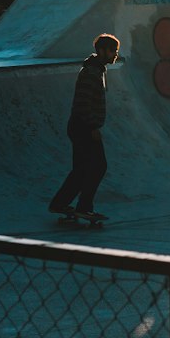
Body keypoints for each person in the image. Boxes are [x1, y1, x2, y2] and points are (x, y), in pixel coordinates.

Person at [48, 33, 120, 220]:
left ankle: (60, 203)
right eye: (113, 51)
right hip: (83, 127)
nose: (115, 55)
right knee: (98, 166)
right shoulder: (91, 73)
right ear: (103, 51)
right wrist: (91, 127)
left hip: (80, 126)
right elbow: (83, 103)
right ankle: (84, 207)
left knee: (81, 169)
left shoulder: (97, 69)